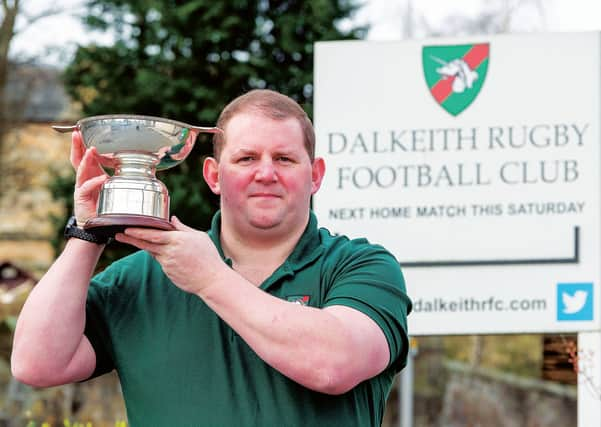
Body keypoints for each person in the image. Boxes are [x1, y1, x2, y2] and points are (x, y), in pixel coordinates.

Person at [11, 89, 411, 427]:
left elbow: (333, 365)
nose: (266, 173)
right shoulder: (142, 277)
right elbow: (36, 364)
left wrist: (209, 278)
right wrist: (88, 233)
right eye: (247, 158)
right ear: (214, 176)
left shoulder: (362, 266)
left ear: (316, 174)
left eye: (285, 159)